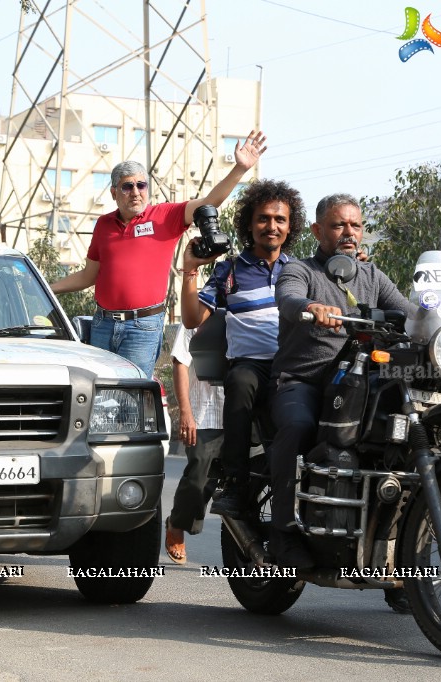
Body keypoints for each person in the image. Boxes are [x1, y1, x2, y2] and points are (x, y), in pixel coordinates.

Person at [271, 193, 415, 612]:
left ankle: (400, 558)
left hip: (360, 386)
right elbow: (289, 297)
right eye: (338, 226)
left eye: (354, 225)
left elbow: (407, 312)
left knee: (403, 442)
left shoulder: (372, 275)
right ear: (318, 231)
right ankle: (282, 530)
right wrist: (312, 306)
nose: (348, 233)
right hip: (304, 381)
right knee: (297, 428)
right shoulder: (301, 269)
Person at [49, 131, 267, 378]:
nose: (135, 192)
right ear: (113, 193)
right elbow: (89, 275)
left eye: (141, 185)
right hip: (102, 323)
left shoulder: (165, 216)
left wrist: (239, 169)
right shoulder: (103, 225)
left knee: (133, 395)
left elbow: (210, 202)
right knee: (99, 393)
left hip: (142, 326)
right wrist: (47, 288)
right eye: (127, 186)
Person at [179, 179, 305, 516]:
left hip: (294, 368)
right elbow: (192, 320)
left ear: (290, 226)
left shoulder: (301, 271)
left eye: (280, 219)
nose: (271, 226)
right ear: (249, 224)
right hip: (250, 366)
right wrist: (190, 270)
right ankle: (233, 483)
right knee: (242, 381)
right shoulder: (229, 270)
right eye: (263, 218)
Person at [165, 327, 225, 564]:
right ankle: (177, 523)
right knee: (199, 478)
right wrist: (186, 412)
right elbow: (180, 362)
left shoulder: (257, 304)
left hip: (244, 411)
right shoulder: (196, 315)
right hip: (206, 413)